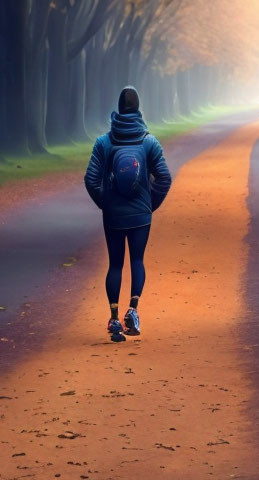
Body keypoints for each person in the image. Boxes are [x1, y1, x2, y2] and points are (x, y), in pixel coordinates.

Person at [84, 86, 172, 342]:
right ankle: (133, 310)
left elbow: (91, 180)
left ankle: (113, 318)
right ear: (138, 108)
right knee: (137, 261)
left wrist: (105, 203)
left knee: (115, 264)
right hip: (140, 216)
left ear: (119, 109)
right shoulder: (149, 142)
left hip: (113, 215)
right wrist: (149, 204)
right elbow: (164, 177)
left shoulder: (104, 142)